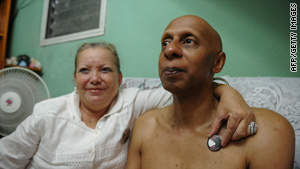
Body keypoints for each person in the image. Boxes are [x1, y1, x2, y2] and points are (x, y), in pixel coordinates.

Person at [0, 41, 254, 168]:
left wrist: (227, 92)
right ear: (75, 79)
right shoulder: (47, 114)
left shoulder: (136, 102)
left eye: (106, 70)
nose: (95, 79)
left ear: (120, 79)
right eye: (85, 70)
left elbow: (188, 92)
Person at [126, 15, 295, 169]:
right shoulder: (144, 127)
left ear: (217, 62)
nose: (170, 50)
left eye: (189, 41)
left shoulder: (268, 132)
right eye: (165, 43)